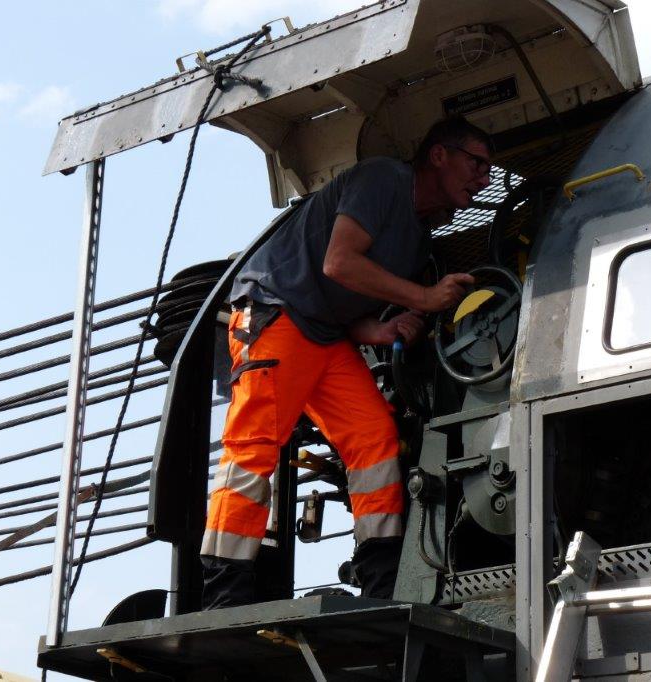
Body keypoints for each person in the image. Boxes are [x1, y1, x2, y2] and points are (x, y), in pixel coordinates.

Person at [200, 116, 493, 608]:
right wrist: (423, 297)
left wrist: (379, 330)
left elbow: (345, 296)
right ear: (439, 154)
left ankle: (380, 584)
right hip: (277, 313)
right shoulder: (383, 180)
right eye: (477, 163)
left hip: (325, 333)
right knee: (253, 448)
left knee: (374, 441)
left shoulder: (418, 239)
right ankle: (223, 594)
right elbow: (339, 263)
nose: (484, 178)